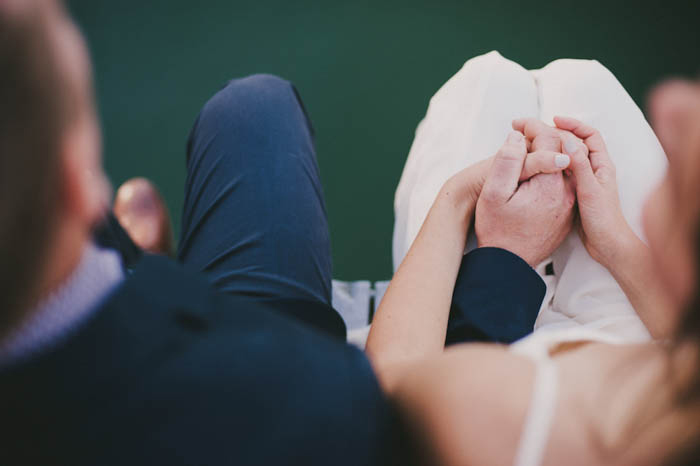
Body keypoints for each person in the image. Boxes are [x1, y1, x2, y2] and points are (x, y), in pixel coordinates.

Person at [0, 2, 406, 464]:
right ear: (77, 186)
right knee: (256, 109)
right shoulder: (307, 405)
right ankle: (137, 268)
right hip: (239, 373)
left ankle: (132, 263)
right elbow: (399, 401)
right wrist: (476, 233)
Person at [366, 55, 700, 464]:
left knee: (486, 77)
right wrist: (612, 241)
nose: (673, 104)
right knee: (582, 79)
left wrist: (460, 201)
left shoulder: (514, 420)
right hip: (651, 338)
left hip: (487, 354)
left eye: (686, 181)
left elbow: (393, 382)